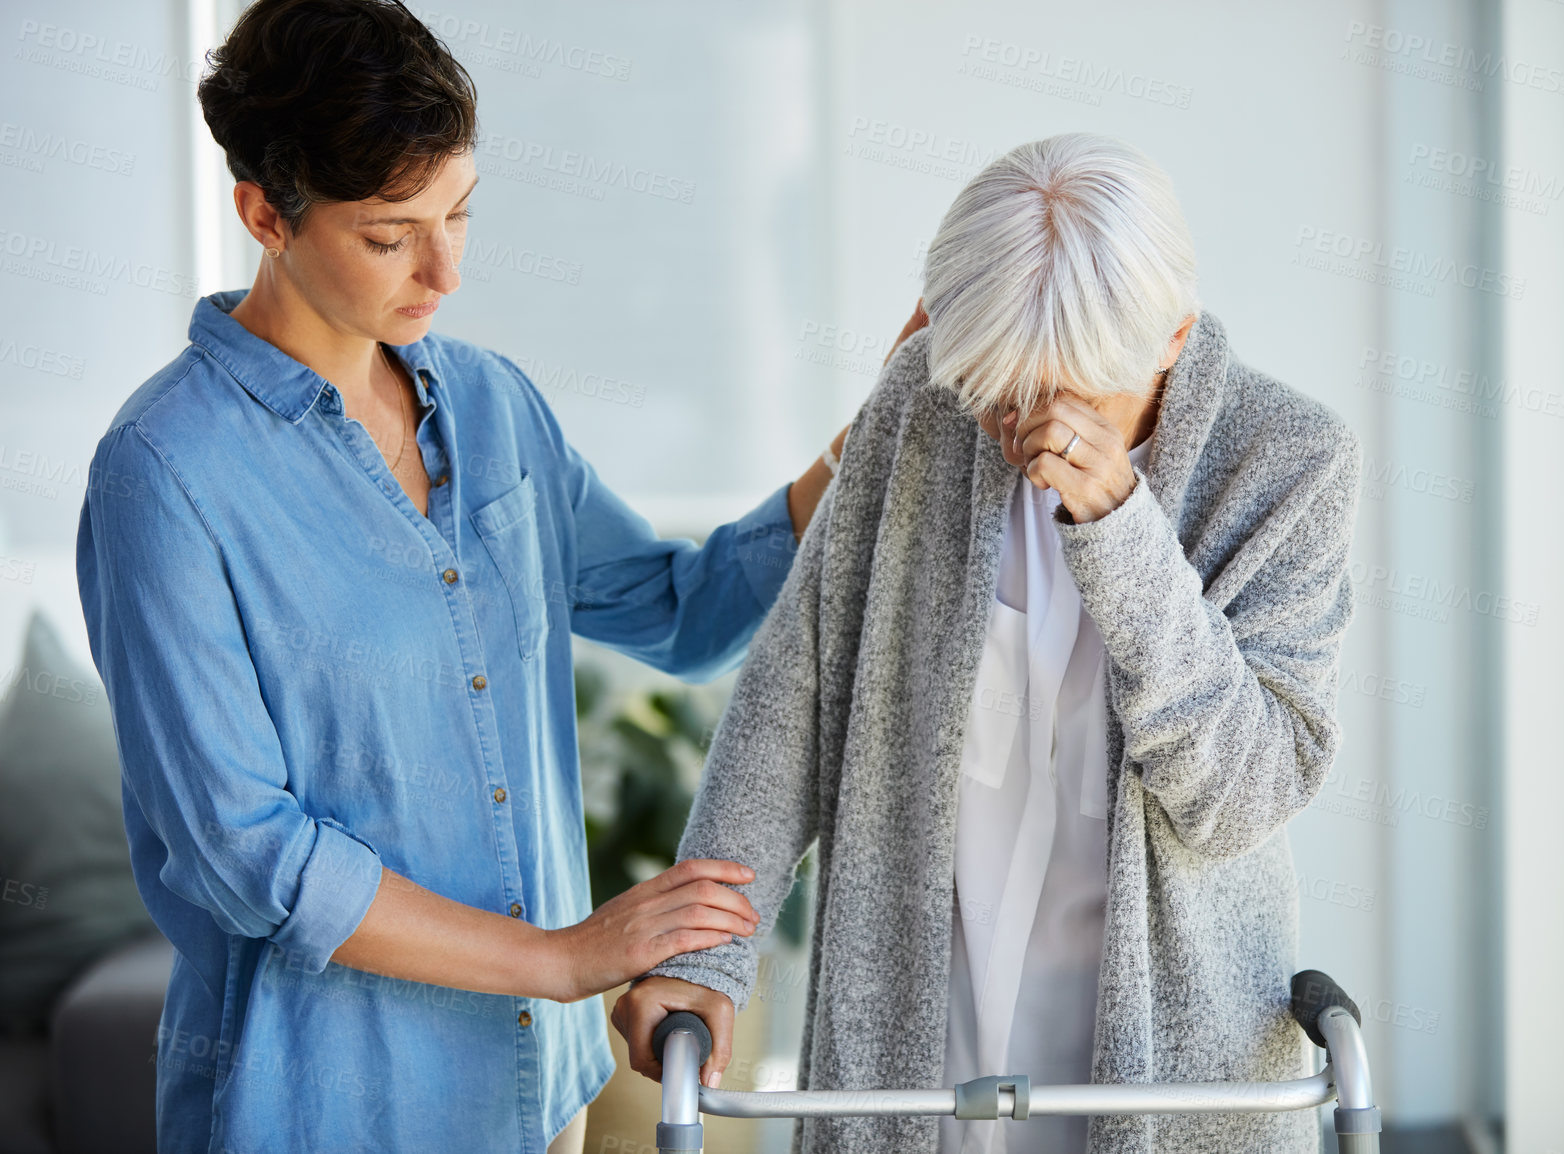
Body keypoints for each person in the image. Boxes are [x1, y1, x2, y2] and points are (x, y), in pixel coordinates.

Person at [73, 1, 916, 1150]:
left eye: (459, 213)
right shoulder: (163, 473)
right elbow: (246, 852)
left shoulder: (491, 403)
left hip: (538, 1094)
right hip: (331, 1109)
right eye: (389, 234)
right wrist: (564, 957)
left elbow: (685, 608)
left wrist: (880, 423)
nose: (445, 269)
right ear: (265, 213)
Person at [613, 133, 1364, 1154]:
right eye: (1001, 390)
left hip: (1158, 1065)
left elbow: (1240, 797)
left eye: (1069, 397)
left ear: (1172, 337)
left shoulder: (1288, 462)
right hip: (922, 1034)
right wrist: (704, 951)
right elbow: (794, 692)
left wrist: (1121, 529)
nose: (1023, 430)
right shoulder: (925, 403)